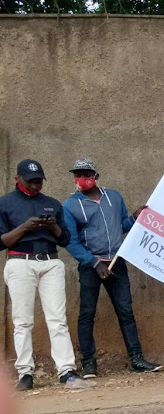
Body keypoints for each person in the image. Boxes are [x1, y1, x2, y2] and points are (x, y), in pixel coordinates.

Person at [63, 158, 162, 377]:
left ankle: (136, 359)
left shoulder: (114, 197)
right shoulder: (70, 205)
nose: (82, 179)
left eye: (86, 174)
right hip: (91, 266)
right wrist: (94, 263)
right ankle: (89, 363)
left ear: (96, 177)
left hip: (116, 262)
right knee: (87, 314)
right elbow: (71, 241)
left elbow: (122, 226)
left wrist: (135, 218)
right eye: (78, 174)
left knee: (126, 311)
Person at [0, 160, 79, 390]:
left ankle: (66, 371)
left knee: (57, 320)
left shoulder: (52, 204)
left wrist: (53, 226)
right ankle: (25, 373)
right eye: (31, 181)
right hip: (20, 261)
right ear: (18, 178)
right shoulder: (5, 203)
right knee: (22, 321)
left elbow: (64, 240)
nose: (36, 186)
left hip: (50, 261)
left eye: (39, 181)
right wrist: (25, 227)